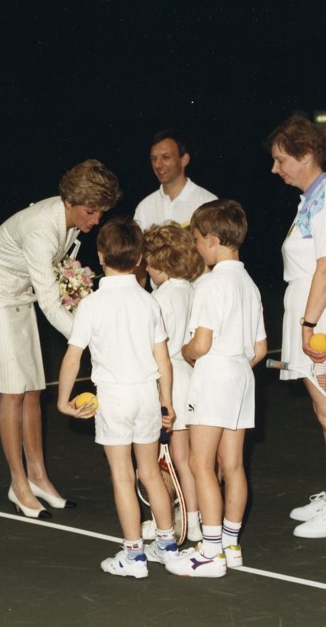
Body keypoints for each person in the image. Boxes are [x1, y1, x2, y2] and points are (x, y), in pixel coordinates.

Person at [0, 160, 121, 519]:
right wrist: (89, 342)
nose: (96, 220)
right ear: (69, 201)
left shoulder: (67, 219)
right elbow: (50, 303)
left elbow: (53, 284)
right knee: (13, 389)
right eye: (91, 211)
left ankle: (38, 477)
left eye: (101, 212)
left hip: (20, 292)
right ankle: (18, 484)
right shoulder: (41, 230)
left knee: (33, 387)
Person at [57, 217, 177, 579]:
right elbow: (163, 361)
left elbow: (73, 356)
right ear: (141, 257)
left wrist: (63, 401)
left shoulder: (92, 305)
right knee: (150, 473)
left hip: (114, 399)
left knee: (123, 476)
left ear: (99, 255)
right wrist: (166, 403)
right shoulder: (149, 302)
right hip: (145, 397)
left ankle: (134, 556)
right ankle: (167, 544)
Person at [267, 115, 326, 538]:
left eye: (281, 159)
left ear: (305, 155)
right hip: (312, 309)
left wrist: (308, 324)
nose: (275, 169)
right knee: (325, 414)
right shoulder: (312, 198)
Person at [168, 200, 267, 578]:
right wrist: (234, 365)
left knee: (200, 464)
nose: (195, 248)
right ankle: (230, 544)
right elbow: (259, 349)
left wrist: (185, 351)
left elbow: (202, 343)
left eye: (196, 240)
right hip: (243, 377)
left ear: (211, 239)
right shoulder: (250, 284)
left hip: (214, 377)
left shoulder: (211, 285)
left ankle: (210, 552)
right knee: (234, 465)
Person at [142, 222, 206, 543]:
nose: (147, 267)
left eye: (150, 261)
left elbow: (156, 350)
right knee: (188, 460)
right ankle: (192, 521)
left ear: (161, 262)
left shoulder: (161, 298)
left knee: (169, 460)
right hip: (191, 379)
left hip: (171, 382)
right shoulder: (190, 290)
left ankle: (168, 521)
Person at [134, 128, 217, 232]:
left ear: (184, 160)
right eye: (153, 158)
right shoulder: (144, 208)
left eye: (166, 157)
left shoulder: (208, 203)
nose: (158, 164)